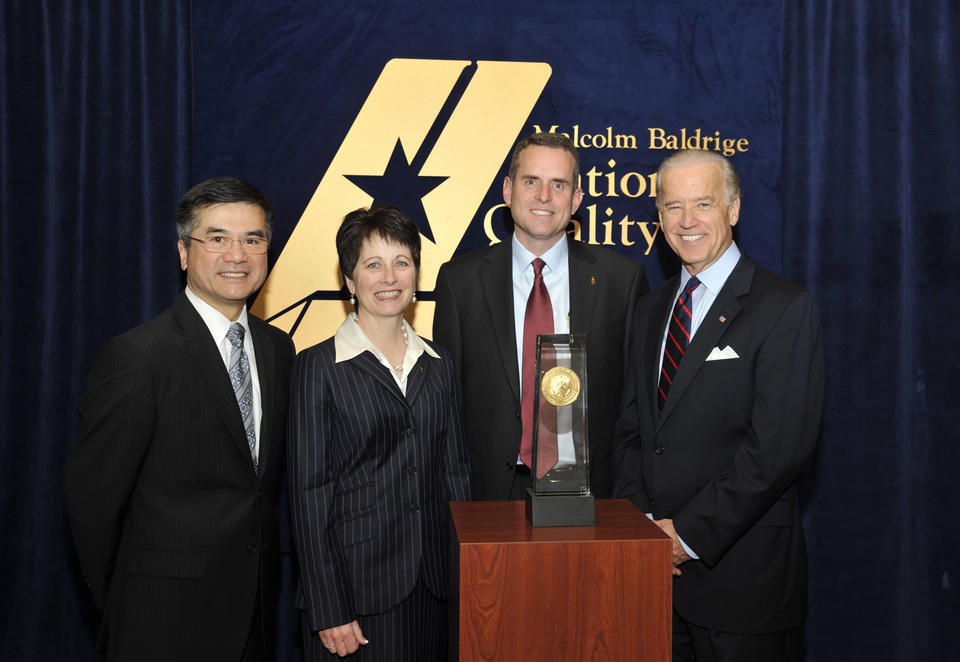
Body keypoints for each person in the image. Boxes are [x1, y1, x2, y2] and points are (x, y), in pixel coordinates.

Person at [63, 177, 295, 661]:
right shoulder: (138, 356)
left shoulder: (278, 349)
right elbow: (92, 503)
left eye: (252, 240)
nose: (237, 254)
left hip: (255, 621)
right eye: (217, 238)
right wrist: (128, 605)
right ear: (184, 253)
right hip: (160, 624)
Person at [612, 149, 825, 660]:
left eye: (703, 204)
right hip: (653, 582)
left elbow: (777, 450)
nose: (687, 222)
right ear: (658, 216)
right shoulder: (650, 308)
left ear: (733, 209)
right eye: (673, 207)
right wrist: (641, 530)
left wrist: (682, 537)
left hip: (743, 586)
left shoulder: (784, 308)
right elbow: (631, 431)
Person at [288, 205, 470, 660]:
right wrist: (328, 607)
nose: (389, 277)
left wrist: (468, 577)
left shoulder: (440, 363)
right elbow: (309, 496)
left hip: (435, 586)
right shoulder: (317, 367)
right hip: (356, 595)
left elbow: (456, 478)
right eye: (373, 264)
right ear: (349, 281)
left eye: (402, 262)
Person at [433, 131, 648, 500]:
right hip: (491, 495)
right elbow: (446, 405)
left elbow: (636, 405)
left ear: (577, 199)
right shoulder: (460, 282)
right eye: (531, 181)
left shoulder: (621, 280)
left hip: (592, 493)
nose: (544, 196)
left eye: (559, 185)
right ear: (507, 189)